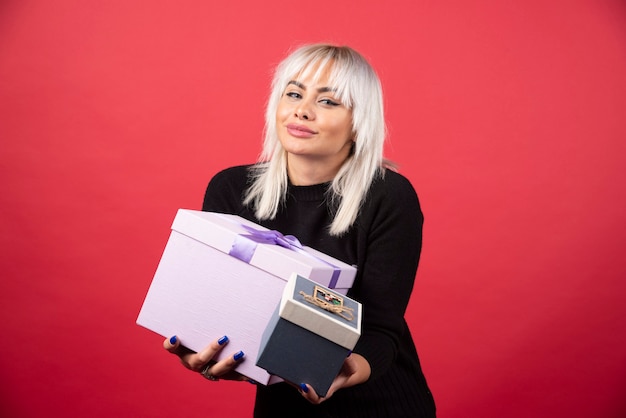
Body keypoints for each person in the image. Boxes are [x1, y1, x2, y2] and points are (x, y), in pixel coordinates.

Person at [163, 43, 436, 418]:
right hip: (281, 408)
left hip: (379, 405)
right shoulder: (231, 189)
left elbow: (381, 331)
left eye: (328, 101)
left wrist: (340, 371)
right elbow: (219, 310)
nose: (302, 111)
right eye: (293, 94)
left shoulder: (389, 196)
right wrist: (204, 348)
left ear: (359, 123)